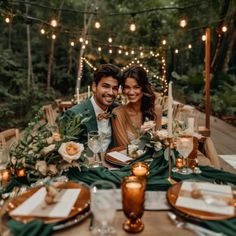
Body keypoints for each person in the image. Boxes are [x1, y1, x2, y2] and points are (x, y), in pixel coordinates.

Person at [59, 63, 122, 151]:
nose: (111, 92)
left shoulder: (117, 110)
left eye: (115, 88)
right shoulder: (74, 114)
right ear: (94, 87)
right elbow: (69, 152)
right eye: (106, 86)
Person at [112, 65, 162, 146]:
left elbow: (158, 145)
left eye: (136, 87)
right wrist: (141, 135)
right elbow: (124, 148)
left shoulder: (156, 110)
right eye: (127, 87)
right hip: (126, 158)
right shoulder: (118, 113)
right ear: (123, 90)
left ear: (144, 88)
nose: (131, 92)